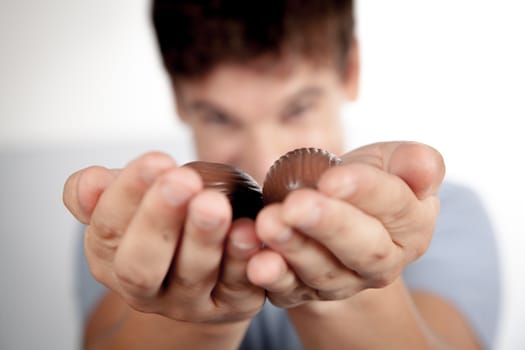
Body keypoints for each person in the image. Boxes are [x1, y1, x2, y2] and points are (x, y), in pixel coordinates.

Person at [63, 1, 500, 349]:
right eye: (220, 118)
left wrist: (349, 287)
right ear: (179, 99)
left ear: (350, 72)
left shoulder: (448, 215)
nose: (264, 158)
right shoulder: (143, 227)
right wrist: (204, 319)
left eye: (297, 109)